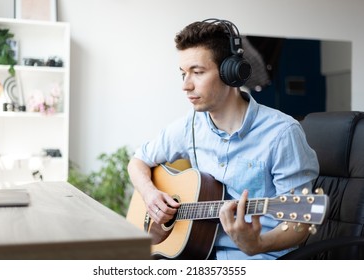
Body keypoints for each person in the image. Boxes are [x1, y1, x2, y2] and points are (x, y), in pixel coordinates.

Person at [127, 18, 319, 260]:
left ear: (232, 74)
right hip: (198, 252)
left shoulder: (282, 134)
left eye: (197, 72)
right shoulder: (190, 126)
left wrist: (257, 244)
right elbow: (137, 161)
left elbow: (300, 221)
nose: (185, 85)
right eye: (183, 74)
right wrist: (150, 194)